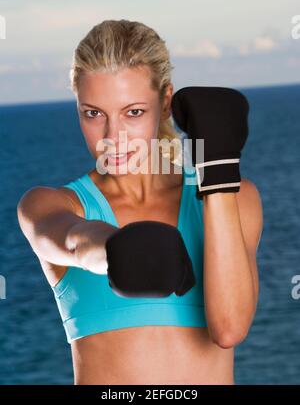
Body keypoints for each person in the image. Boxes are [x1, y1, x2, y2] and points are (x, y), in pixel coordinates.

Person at [17, 19, 263, 385]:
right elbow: (73, 239)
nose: (112, 136)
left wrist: (218, 176)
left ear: (165, 103)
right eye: (93, 113)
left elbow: (228, 329)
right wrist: (114, 251)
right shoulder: (51, 204)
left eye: (133, 112)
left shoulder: (236, 197)